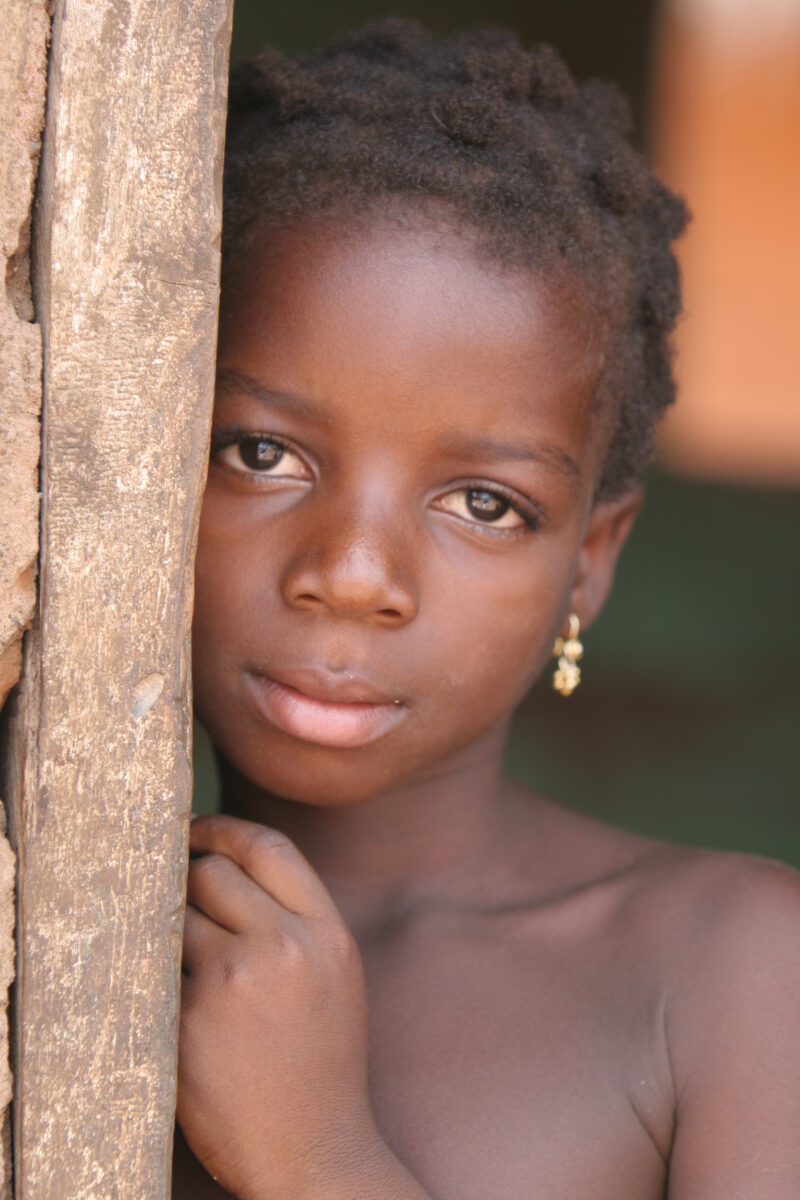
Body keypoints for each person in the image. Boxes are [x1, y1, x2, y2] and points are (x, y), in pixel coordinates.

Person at [172, 19, 800, 1199]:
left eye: (481, 502)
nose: (354, 574)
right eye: (260, 450)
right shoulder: (44, 924)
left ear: (589, 561)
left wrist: (317, 1159)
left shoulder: (728, 975)